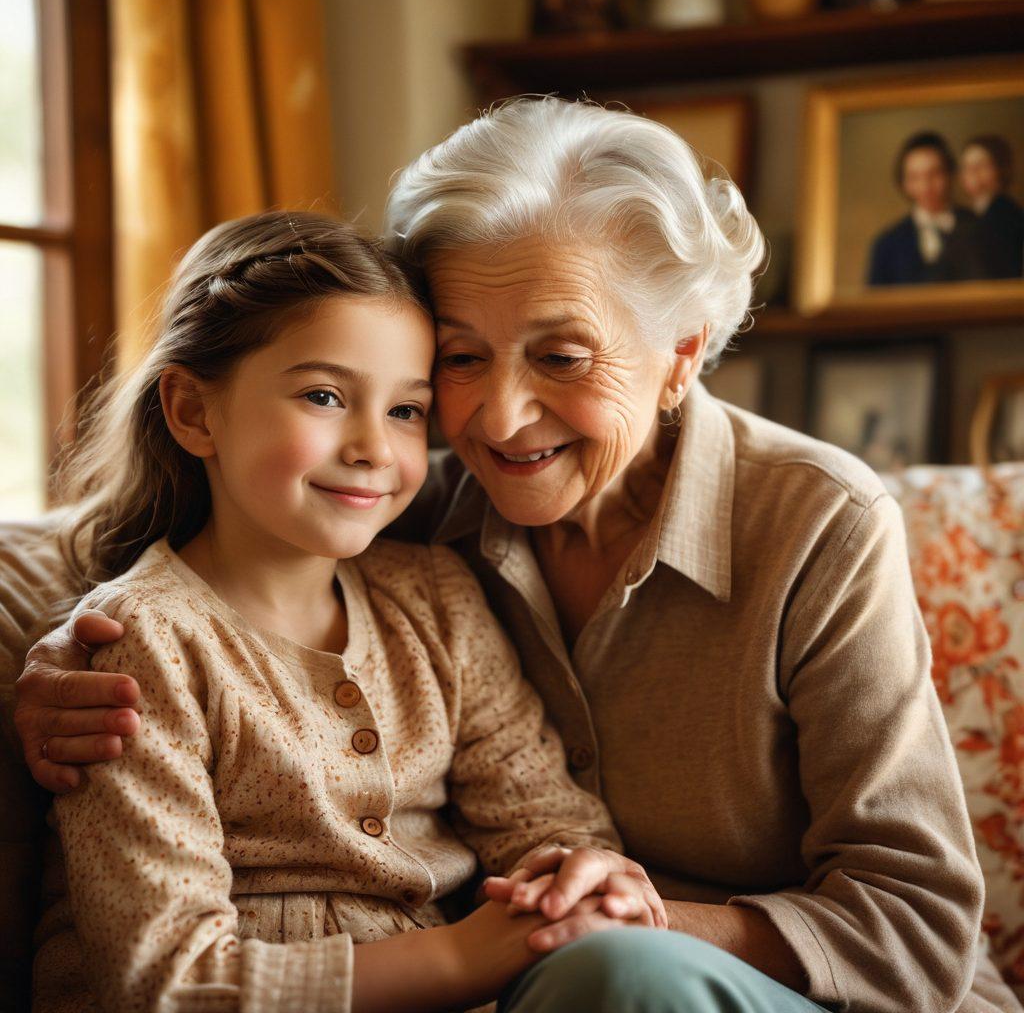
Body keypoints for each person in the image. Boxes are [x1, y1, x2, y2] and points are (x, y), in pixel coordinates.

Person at [14, 99, 1014, 1012]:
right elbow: (170, 541)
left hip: (813, 993)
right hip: (532, 976)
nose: (496, 419)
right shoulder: (410, 506)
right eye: (459, 358)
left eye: (561, 355)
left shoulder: (817, 521)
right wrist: (47, 658)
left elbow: (913, 927)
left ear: (679, 354)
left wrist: (612, 921)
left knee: (617, 978)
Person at [21, 211, 660, 1013]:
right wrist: (466, 955)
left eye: (406, 410)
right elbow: (167, 982)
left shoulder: (437, 600)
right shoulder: (144, 644)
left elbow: (541, 817)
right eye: (324, 396)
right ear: (192, 411)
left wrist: (576, 877)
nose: (373, 448)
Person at [868, 130, 989, 286]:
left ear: (949, 174)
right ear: (904, 183)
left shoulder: (980, 228)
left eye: (934, 174)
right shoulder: (888, 244)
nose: (925, 186)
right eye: (915, 177)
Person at [960, 134, 1024, 279]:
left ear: (1000, 169)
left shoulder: (1008, 215)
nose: (972, 173)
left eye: (981, 166)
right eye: (967, 167)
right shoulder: (967, 215)